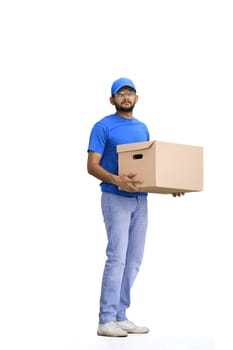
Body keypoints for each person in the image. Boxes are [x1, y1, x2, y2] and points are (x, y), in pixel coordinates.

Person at [87, 77, 183, 337]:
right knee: (117, 257)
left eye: (130, 93)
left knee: (134, 260)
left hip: (141, 200)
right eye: (121, 94)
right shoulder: (102, 126)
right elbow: (92, 165)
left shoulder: (142, 128)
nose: (126, 97)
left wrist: (170, 185)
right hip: (115, 198)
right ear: (112, 100)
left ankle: (121, 315)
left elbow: (149, 168)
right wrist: (117, 180)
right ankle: (105, 319)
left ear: (136, 98)